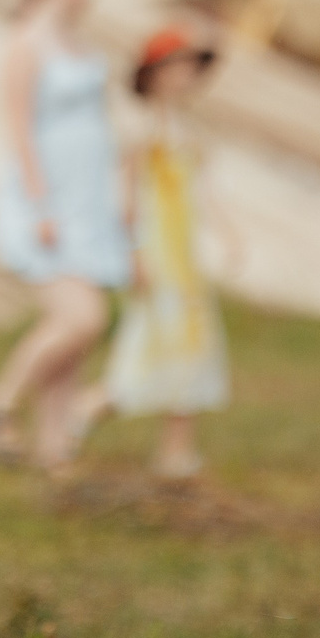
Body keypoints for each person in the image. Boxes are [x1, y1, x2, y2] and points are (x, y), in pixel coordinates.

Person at [0, 0, 130, 473]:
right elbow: (18, 126)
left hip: (88, 201)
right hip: (48, 202)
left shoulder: (81, 46)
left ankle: (56, 452)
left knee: (78, 346)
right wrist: (40, 206)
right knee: (82, 318)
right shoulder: (27, 42)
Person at [88, 27, 228, 480]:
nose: (187, 76)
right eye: (178, 65)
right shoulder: (139, 128)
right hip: (157, 251)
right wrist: (132, 251)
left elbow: (203, 191)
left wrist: (228, 231)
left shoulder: (189, 130)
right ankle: (85, 410)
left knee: (191, 345)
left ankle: (177, 451)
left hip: (184, 257)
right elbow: (126, 195)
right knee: (148, 342)